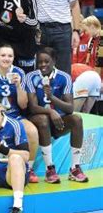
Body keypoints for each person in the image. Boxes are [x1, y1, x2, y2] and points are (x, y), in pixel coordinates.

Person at [26, 47, 89, 184]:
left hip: (58, 122)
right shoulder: (31, 77)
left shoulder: (64, 77)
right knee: (43, 119)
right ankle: (50, 169)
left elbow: (70, 108)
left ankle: (75, 168)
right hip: (39, 121)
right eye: (40, 62)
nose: (43, 65)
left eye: (46, 61)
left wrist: (51, 97)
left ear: (54, 61)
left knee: (76, 119)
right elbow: (32, 107)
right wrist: (50, 111)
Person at [0, 44, 40, 183]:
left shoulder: (19, 72)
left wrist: (18, 85)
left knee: (32, 131)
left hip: (15, 116)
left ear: (14, 58)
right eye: (3, 55)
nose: (6, 58)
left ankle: (28, 169)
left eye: (10, 56)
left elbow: (23, 104)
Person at [72, 16, 102, 113]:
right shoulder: (92, 40)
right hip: (94, 76)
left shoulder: (101, 38)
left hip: (99, 77)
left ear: (93, 26)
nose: (86, 33)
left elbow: (100, 62)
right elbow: (88, 61)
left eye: (86, 30)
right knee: (89, 108)